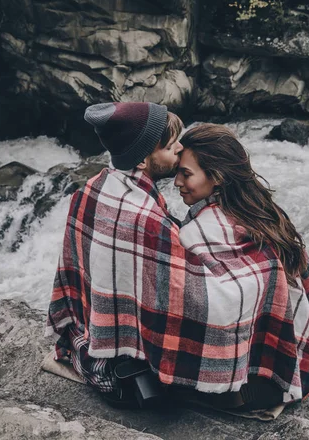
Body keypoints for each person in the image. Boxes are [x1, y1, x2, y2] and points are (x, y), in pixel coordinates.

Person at [174, 123, 309, 412]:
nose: (176, 182)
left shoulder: (197, 232)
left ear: (218, 177)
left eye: (186, 173)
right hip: (299, 366)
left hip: (246, 386)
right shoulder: (265, 211)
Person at [45, 101, 187, 403]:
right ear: (143, 160)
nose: (180, 149)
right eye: (170, 146)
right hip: (119, 373)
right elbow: (186, 297)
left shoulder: (91, 187)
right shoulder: (147, 218)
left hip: (85, 338)